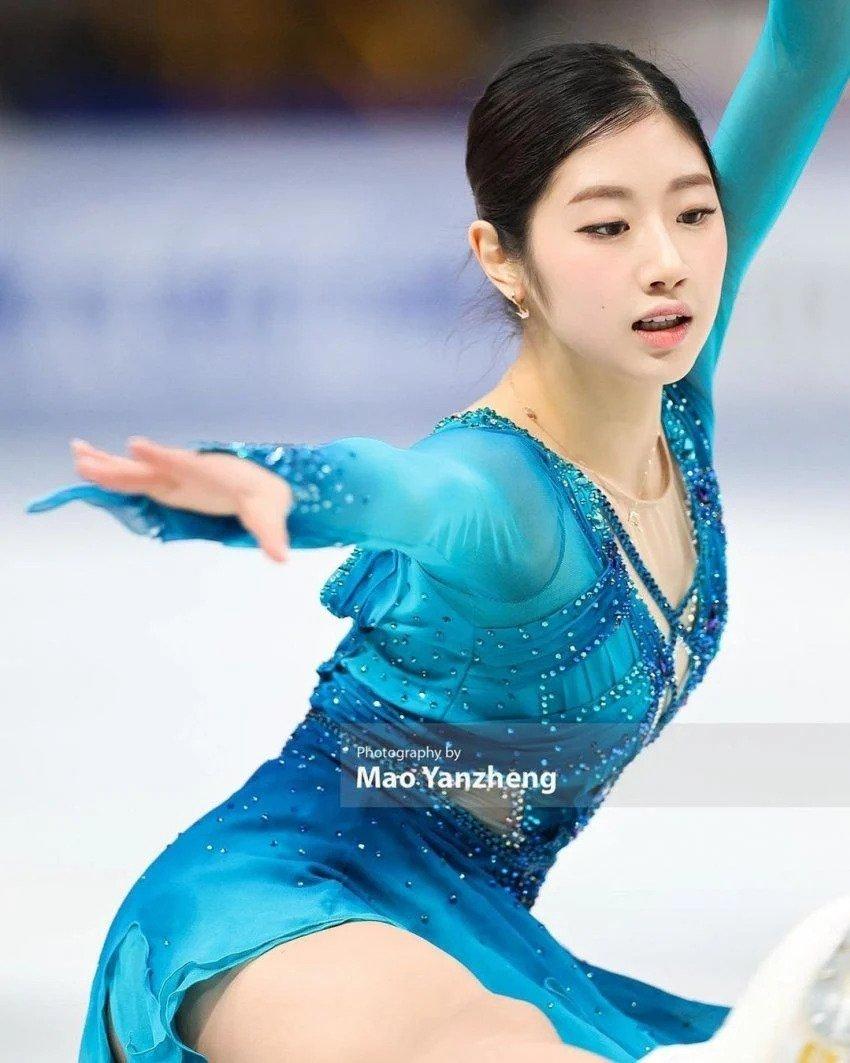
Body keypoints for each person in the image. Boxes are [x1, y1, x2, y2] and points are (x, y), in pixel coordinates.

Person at [25, 1, 850, 1060]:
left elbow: (806, 49)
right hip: (282, 913)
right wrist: (277, 480)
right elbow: (398, 489)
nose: (666, 260)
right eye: (606, 226)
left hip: (472, 934)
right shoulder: (498, 485)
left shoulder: (673, 396)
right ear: (503, 259)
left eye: (692, 213)